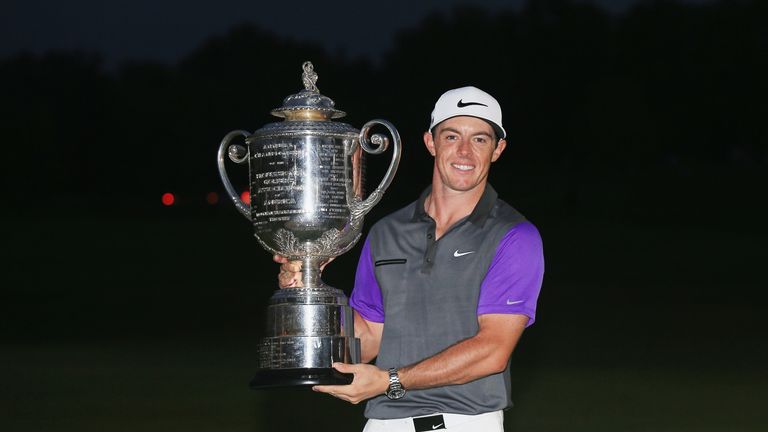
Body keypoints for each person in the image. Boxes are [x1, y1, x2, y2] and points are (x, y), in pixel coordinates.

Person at [275, 86, 544, 432]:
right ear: (431, 143)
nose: (464, 151)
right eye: (451, 136)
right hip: (383, 422)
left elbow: (492, 350)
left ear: (497, 149)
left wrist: (390, 381)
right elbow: (368, 337)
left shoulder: (515, 236)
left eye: (480, 139)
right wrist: (307, 289)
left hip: (465, 421)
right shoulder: (387, 232)